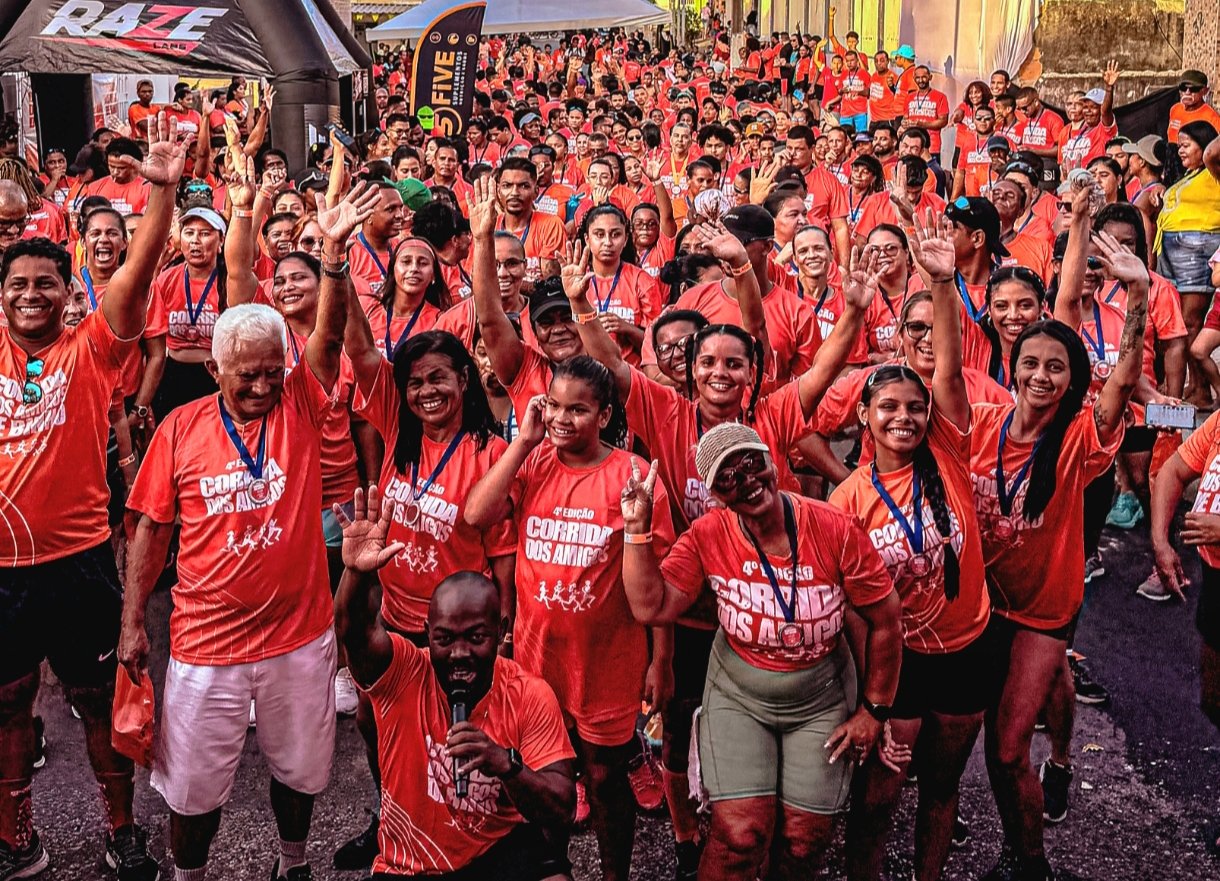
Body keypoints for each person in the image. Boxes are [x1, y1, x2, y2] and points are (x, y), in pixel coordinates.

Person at [119, 182, 381, 881]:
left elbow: (327, 339)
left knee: (301, 773)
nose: (263, 386)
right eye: (247, 376)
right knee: (193, 792)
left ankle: (292, 865)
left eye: (272, 372)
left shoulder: (299, 403)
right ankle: (189, 875)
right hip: (206, 646)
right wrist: (133, 623)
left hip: (299, 638)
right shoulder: (180, 429)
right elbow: (151, 530)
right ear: (214, 370)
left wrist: (333, 258)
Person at [0, 111, 186, 881]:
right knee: (8, 705)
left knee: (93, 699)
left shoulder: (93, 348)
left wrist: (162, 194)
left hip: (78, 564)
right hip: (4, 573)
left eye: (45, 283)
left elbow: (134, 278)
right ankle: (17, 838)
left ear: (67, 291)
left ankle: (122, 830)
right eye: (17, 284)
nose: (31, 294)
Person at [617, 417, 903, 881]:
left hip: (819, 696)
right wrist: (636, 528)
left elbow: (886, 619)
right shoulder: (709, 534)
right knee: (741, 835)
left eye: (752, 464)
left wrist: (874, 710)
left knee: (804, 839)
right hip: (740, 695)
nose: (747, 481)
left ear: (772, 461)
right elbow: (651, 605)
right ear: (716, 495)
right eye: (728, 477)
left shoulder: (832, 526)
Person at [969, 203, 1148, 880]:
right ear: (1012, 365)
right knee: (994, 747)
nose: (1041, 375)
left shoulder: (1078, 439)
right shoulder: (982, 423)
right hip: (984, 608)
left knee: (1009, 747)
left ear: (1074, 382)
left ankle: (1032, 861)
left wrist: (1137, 293)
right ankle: (1016, 849)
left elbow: (1122, 377)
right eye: (1031, 363)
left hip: (1042, 612)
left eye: (1056, 368)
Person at [464, 357, 678, 881]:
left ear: (604, 415)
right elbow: (476, 514)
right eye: (554, 406)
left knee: (605, 777)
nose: (562, 419)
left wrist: (662, 660)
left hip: (608, 662)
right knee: (547, 775)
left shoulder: (632, 476)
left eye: (578, 410)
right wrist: (522, 443)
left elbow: (657, 582)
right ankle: (552, 869)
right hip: (539, 659)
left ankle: (613, 874)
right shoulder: (535, 462)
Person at [833, 212, 997, 881]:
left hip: (966, 649)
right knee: (877, 798)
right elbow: (851, 607)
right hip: (896, 666)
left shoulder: (948, 450)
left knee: (941, 788)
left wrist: (942, 282)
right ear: (864, 416)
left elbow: (950, 371)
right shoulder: (847, 499)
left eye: (914, 407)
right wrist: (868, 700)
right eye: (888, 407)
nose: (903, 416)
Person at [333, 483, 577, 879]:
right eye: (445, 639)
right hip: (410, 865)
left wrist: (506, 764)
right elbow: (354, 632)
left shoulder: (530, 694)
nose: (460, 652)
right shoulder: (403, 673)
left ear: (500, 633)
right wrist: (356, 575)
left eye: (476, 637)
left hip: (495, 852)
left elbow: (562, 808)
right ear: (427, 634)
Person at [1156, 121, 1220, 407]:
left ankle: (1201, 389)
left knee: (1191, 323)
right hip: (1173, 254)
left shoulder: (1214, 171)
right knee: (1180, 324)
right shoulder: (1190, 176)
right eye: (1179, 145)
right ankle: (1193, 386)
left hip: (1196, 253)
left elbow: (1213, 154)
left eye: (1186, 144)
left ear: (1204, 145)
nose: (1180, 150)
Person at [1167, 69, 1220, 144]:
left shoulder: (1212, 118)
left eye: (1193, 89)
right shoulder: (1175, 109)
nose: (1187, 92)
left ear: (1205, 91)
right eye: (1183, 88)